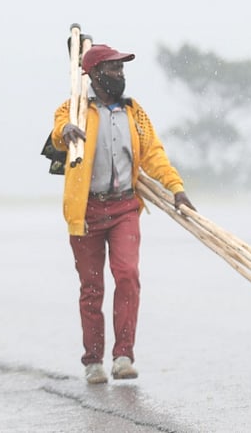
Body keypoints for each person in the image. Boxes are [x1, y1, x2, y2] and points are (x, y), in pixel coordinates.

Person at [50, 43, 195, 384]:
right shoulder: (73, 109)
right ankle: (93, 361)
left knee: (127, 275)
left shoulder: (134, 112)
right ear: (94, 75)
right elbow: (58, 134)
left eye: (122, 69)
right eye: (113, 69)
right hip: (85, 211)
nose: (120, 75)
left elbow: (154, 154)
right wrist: (66, 131)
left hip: (124, 207)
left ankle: (123, 355)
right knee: (92, 288)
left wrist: (176, 187)